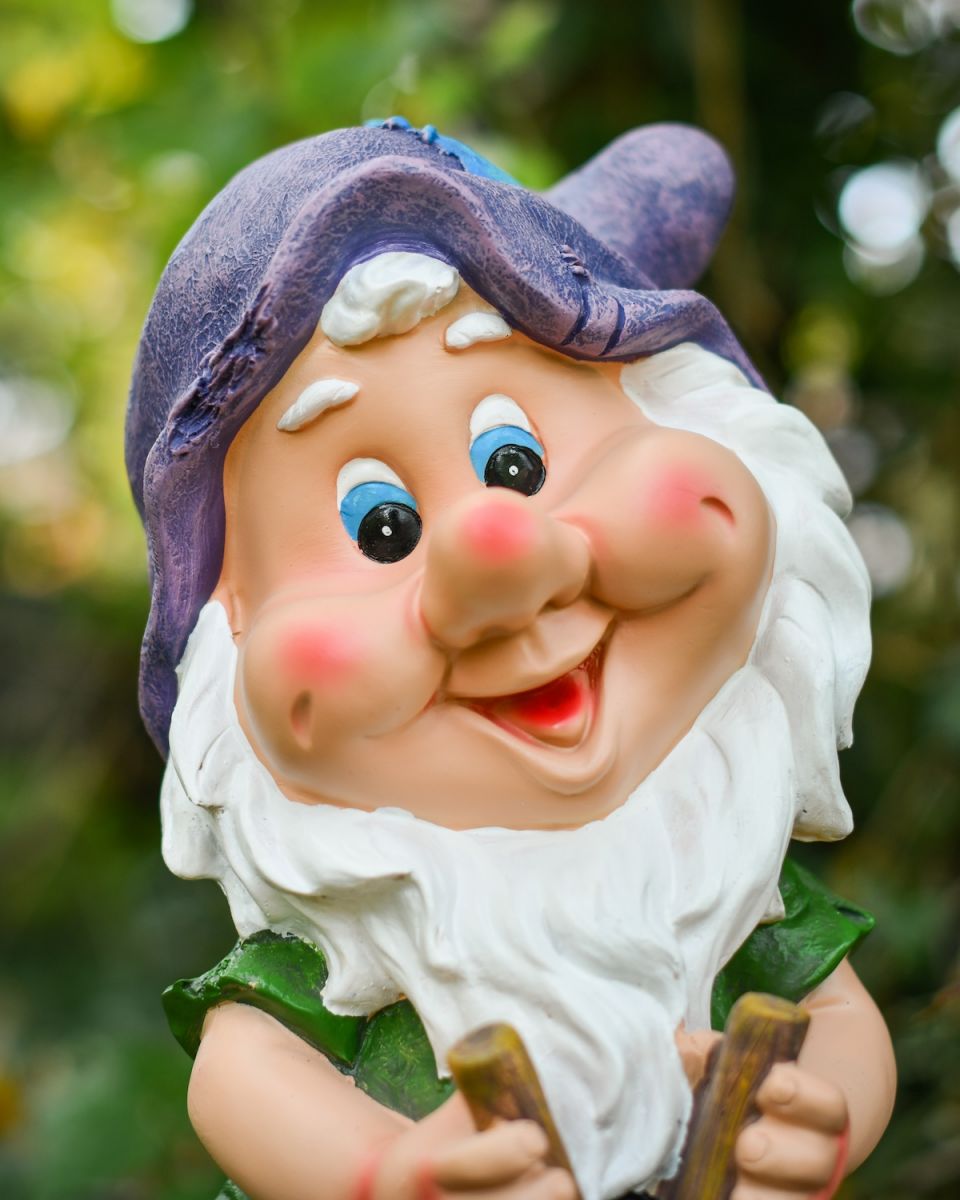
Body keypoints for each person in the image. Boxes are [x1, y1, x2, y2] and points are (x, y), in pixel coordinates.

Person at [126, 119, 896, 1200]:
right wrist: (385, 1171)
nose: (498, 556)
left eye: (517, 461)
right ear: (226, 635)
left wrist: (827, 1113)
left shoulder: (723, 884)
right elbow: (242, 1074)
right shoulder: (358, 950)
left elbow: (834, 1015)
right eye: (380, 526)